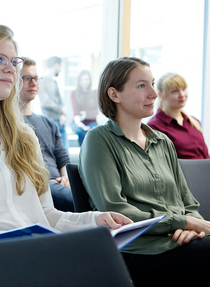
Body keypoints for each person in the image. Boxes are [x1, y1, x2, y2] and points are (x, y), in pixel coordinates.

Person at [0, 24, 132, 246]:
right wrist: (1, 239)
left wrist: (94, 220)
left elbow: (46, 216)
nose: (10, 69)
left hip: (37, 255)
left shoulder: (26, 138)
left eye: (13, 61)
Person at [79, 56, 210, 286]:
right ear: (114, 94)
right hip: (140, 250)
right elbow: (115, 210)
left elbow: (188, 202)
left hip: (180, 242)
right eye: (142, 86)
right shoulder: (99, 139)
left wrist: (193, 227)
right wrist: (182, 223)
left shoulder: (162, 141)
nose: (154, 93)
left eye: (152, 83)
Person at [19, 57, 74, 212]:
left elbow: (62, 159)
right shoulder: (7, 124)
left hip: (59, 184)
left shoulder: (49, 122)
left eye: (36, 78)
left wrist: (66, 178)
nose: (34, 83)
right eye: (27, 78)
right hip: (38, 187)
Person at [147, 72, 210, 159]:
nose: (182, 95)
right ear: (161, 95)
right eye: (175, 91)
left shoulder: (194, 121)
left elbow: (206, 156)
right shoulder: (154, 126)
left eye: (184, 89)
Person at [38, 56, 68, 153]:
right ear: (56, 65)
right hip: (50, 122)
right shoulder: (41, 81)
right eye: (60, 66)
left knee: (65, 153)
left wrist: (63, 115)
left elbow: (60, 100)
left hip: (60, 122)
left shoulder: (54, 82)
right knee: (53, 154)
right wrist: (61, 110)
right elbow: (46, 102)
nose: (61, 69)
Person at [70, 70, 99, 146]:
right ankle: (83, 153)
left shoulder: (95, 92)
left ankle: (90, 153)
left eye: (87, 79)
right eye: (82, 80)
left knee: (92, 132)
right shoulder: (74, 92)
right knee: (81, 132)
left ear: (90, 80)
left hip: (92, 121)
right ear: (79, 81)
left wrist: (86, 114)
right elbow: (76, 111)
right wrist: (81, 125)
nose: (84, 82)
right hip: (77, 121)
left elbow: (97, 111)